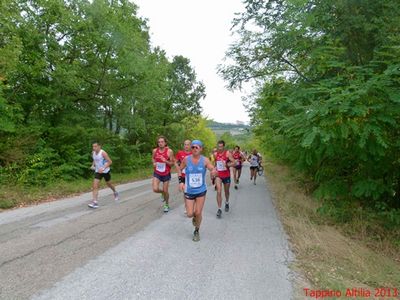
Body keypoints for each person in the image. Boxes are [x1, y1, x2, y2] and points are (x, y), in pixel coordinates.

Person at [178, 140, 217, 242]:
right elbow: (180, 169)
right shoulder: (186, 159)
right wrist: (181, 182)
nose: (194, 149)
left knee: (198, 212)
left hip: (201, 190)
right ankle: (194, 217)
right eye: (193, 147)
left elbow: (211, 168)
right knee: (190, 214)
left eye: (197, 147)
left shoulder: (205, 160)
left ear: (201, 149)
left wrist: (213, 171)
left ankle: (196, 231)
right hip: (189, 190)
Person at [88, 142, 119, 208]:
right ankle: (95, 202)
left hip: (105, 171)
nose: (94, 148)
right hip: (98, 171)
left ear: (99, 146)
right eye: (93, 147)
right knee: (95, 186)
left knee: (109, 184)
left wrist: (103, 168)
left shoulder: (103, 153)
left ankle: (115, 192)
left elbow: (110, 161)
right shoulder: (93, 152)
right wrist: (92, 165)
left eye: (95, 146)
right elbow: (95, 159)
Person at [152, 136, 175, 212]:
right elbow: (153, 158)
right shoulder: (155, 151)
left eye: (162, 142)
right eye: (159, 142)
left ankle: (167, 204)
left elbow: (172, 164)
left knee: (166, 191)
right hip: (157, 172)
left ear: (165, 143)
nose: (160, 143)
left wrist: (165, 161)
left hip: (166, 173)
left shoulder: (169, 151)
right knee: (155, 189)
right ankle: (162, 193)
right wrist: (154, 163)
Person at [213, 140, 235, 218]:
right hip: (218, 175)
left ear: (224, 146)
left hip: (226, 175)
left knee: (226, 191)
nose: (220, 148)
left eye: (221, 146)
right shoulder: (215, 154)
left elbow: (234, 162)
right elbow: (215, 164)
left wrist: (227, 165)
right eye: (219, 146)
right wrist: (214, 170)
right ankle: (219, 209)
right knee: (219, 191)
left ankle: (227, 202)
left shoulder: (228, 153)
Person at [175, 140, 192, 214]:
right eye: (185, 144)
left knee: (191, 191)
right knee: (185, 192)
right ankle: (186, 206)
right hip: (183, 175)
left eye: (188, 144)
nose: (186, 146)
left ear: (190, 145)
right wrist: (178, 167)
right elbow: (175, 161)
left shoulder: (193, 153)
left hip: (191, 176)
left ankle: (192, 205)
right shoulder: (180, 153)